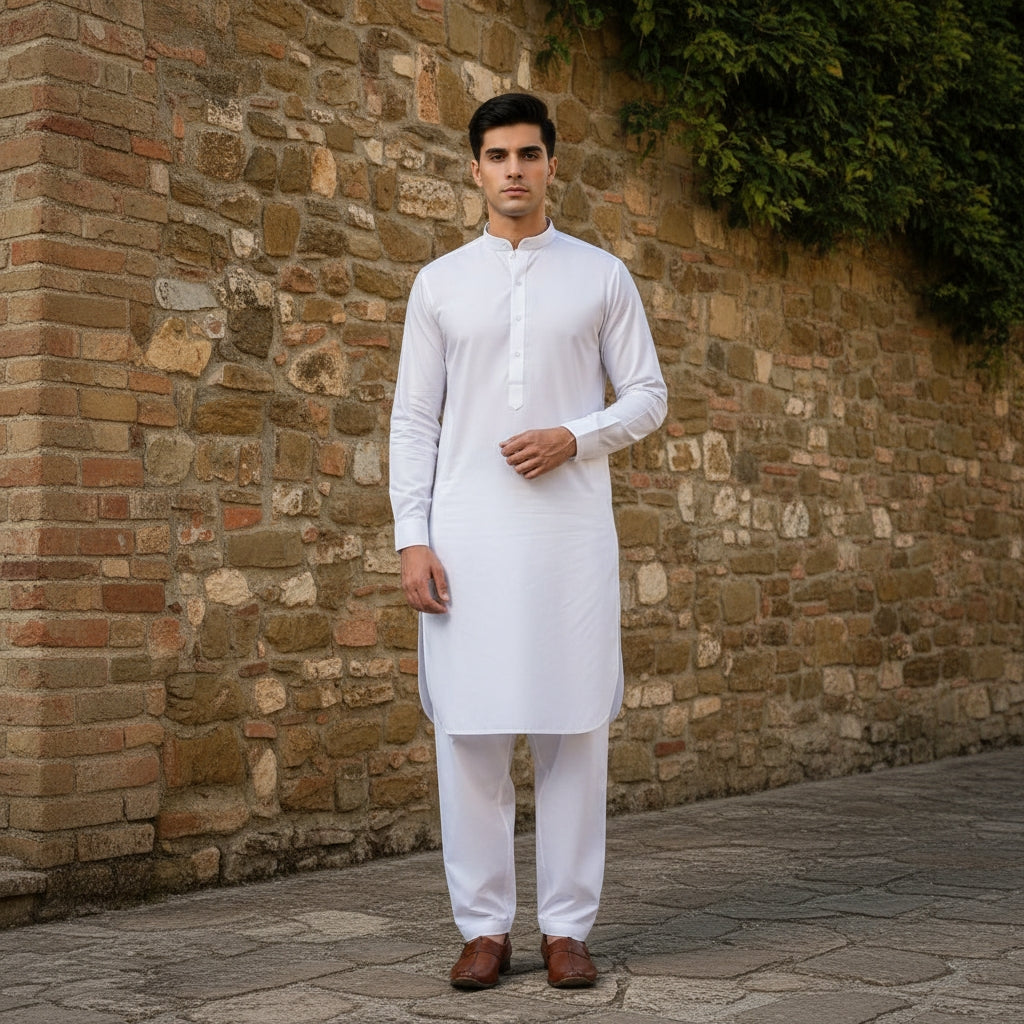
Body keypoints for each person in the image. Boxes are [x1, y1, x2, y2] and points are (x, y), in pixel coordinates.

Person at [389, 92, 667, 990]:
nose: (514, 170)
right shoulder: (438, 284)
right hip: (465, 538)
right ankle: (481, 928)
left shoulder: (601, 275)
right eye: (498, 155)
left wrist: (573, 436)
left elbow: (649, 397)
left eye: (529, 155)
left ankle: (565, 929)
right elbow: (413, 422)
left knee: (574, 726)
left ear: (553, 165)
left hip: (568, 540)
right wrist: (411, 537)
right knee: (468, 730)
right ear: (474, 169)